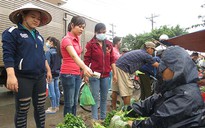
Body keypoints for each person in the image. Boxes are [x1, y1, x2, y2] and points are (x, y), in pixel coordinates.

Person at [127, 46, 205, 128]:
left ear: (176, 68)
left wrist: (134, 125)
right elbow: (155, 100)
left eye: (163, 68)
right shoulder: (175, 86)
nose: (161, 71)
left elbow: (159, 122)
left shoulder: (187, 96)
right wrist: (131, 109)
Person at [2, 3, 52, 128]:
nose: (37, 20)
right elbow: (8, 56)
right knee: (22, 110)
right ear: (23, 16)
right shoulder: (12, 32)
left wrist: (48, 70)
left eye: (39, 19)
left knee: (40, 108)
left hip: (40, 77)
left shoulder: (39, 36)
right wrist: (11, 75)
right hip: (23, 78)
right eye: (33, 16)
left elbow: (42, 55)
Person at [60, 16, 93, 116]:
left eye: (83, 27)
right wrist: (85, 67)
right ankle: (67, 124)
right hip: (68, 74)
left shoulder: (77, 39)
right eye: (80, 26)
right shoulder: (66, 39)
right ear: (72, 25)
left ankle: (73, 122)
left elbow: (78, 56)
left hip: (77, 73)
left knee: (75, 102)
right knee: (69, 103)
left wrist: (83, 72)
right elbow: (74, 55)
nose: (82, 29)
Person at [84, 23, 117, 121]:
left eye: (104, 32)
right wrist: (85, 74)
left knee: (104, 97)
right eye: (99, 32)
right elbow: (86, 60)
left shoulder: (109, 44)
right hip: (94, 75)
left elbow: (112, 60)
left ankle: (103, 118)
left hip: (106, 75)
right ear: (95, 32)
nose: (102, 34)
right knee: (95, 97)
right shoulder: (91, 44)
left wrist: (115, 74)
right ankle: (94, 118)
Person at [112, 42, 159, 109]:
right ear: (148, 48)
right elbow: (157, 65)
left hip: (117, 67)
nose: (153, 51)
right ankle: (126, 112)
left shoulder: (139, 51)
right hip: (123, 69)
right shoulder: (146, 55)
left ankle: (113, 109)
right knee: (127, 92)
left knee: (115, 90)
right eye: (153, 49)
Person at [45, 36, 62, 114]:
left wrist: (46, 74)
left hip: (50, 74)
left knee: (52, 92)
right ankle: (57, 106)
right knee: (56, 90)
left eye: (48, 41)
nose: (47, 43)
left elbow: (47, 64)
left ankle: (53, 107)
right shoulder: (58, 51)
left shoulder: (49, 52)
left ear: (51, 42)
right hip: (57, 73)